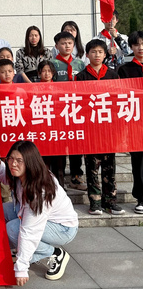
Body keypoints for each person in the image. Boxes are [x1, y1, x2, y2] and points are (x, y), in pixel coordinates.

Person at [0, 141, 78, 285]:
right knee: (1, 211)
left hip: (63, 228)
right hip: (35, 215)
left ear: (30, 162)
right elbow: (5, 176)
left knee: (14, 229)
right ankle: (23, 251)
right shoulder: (21, 174)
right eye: (11, 159)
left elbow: (29, 232)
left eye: (19, 160)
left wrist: (21, 268)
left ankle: (54, 254)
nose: (13, 164)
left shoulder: (39, 190)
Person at [75, 39, 124, 215]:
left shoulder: (112, 75)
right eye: (93, 52)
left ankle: (110, 201)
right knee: (92, 168)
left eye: (100, 52)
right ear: (87, 54)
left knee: (109, 167)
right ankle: (95, 202)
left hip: (108, 129)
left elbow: (118, 101)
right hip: (90, 130)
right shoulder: (80, 76)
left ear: (105, 54)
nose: (97, 55)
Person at [50, 31, 86, 191]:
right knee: (59, 146)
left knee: (76, 146)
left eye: (69, 43)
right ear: (57, 46)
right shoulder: (52, 64)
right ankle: (58, 179)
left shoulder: (80, 64)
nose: (66, 46)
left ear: (74, 45)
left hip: (76, 110)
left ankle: (76, 177)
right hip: (59, 111)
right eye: (63, 43)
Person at [118, 30, 143, 214]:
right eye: (136, 45)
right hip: (136, 122)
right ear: (131, 47)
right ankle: (141, 198)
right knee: (138, 161)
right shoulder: (125, 70)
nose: (140, 48)